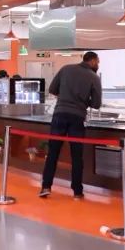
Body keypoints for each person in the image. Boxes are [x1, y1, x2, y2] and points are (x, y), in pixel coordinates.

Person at [40, 51, 103, 199]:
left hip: (59, 114)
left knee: (53, 153)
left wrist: (65, 96)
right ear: (92, 61)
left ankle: (46, 187)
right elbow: (96, 104)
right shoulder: (94, 77)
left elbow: (52, 89)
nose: (98, 65)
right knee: (77, 156)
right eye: (98, 62)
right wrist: (83, 101)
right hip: (77, 117)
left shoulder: (66, 69)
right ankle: (77, 191)